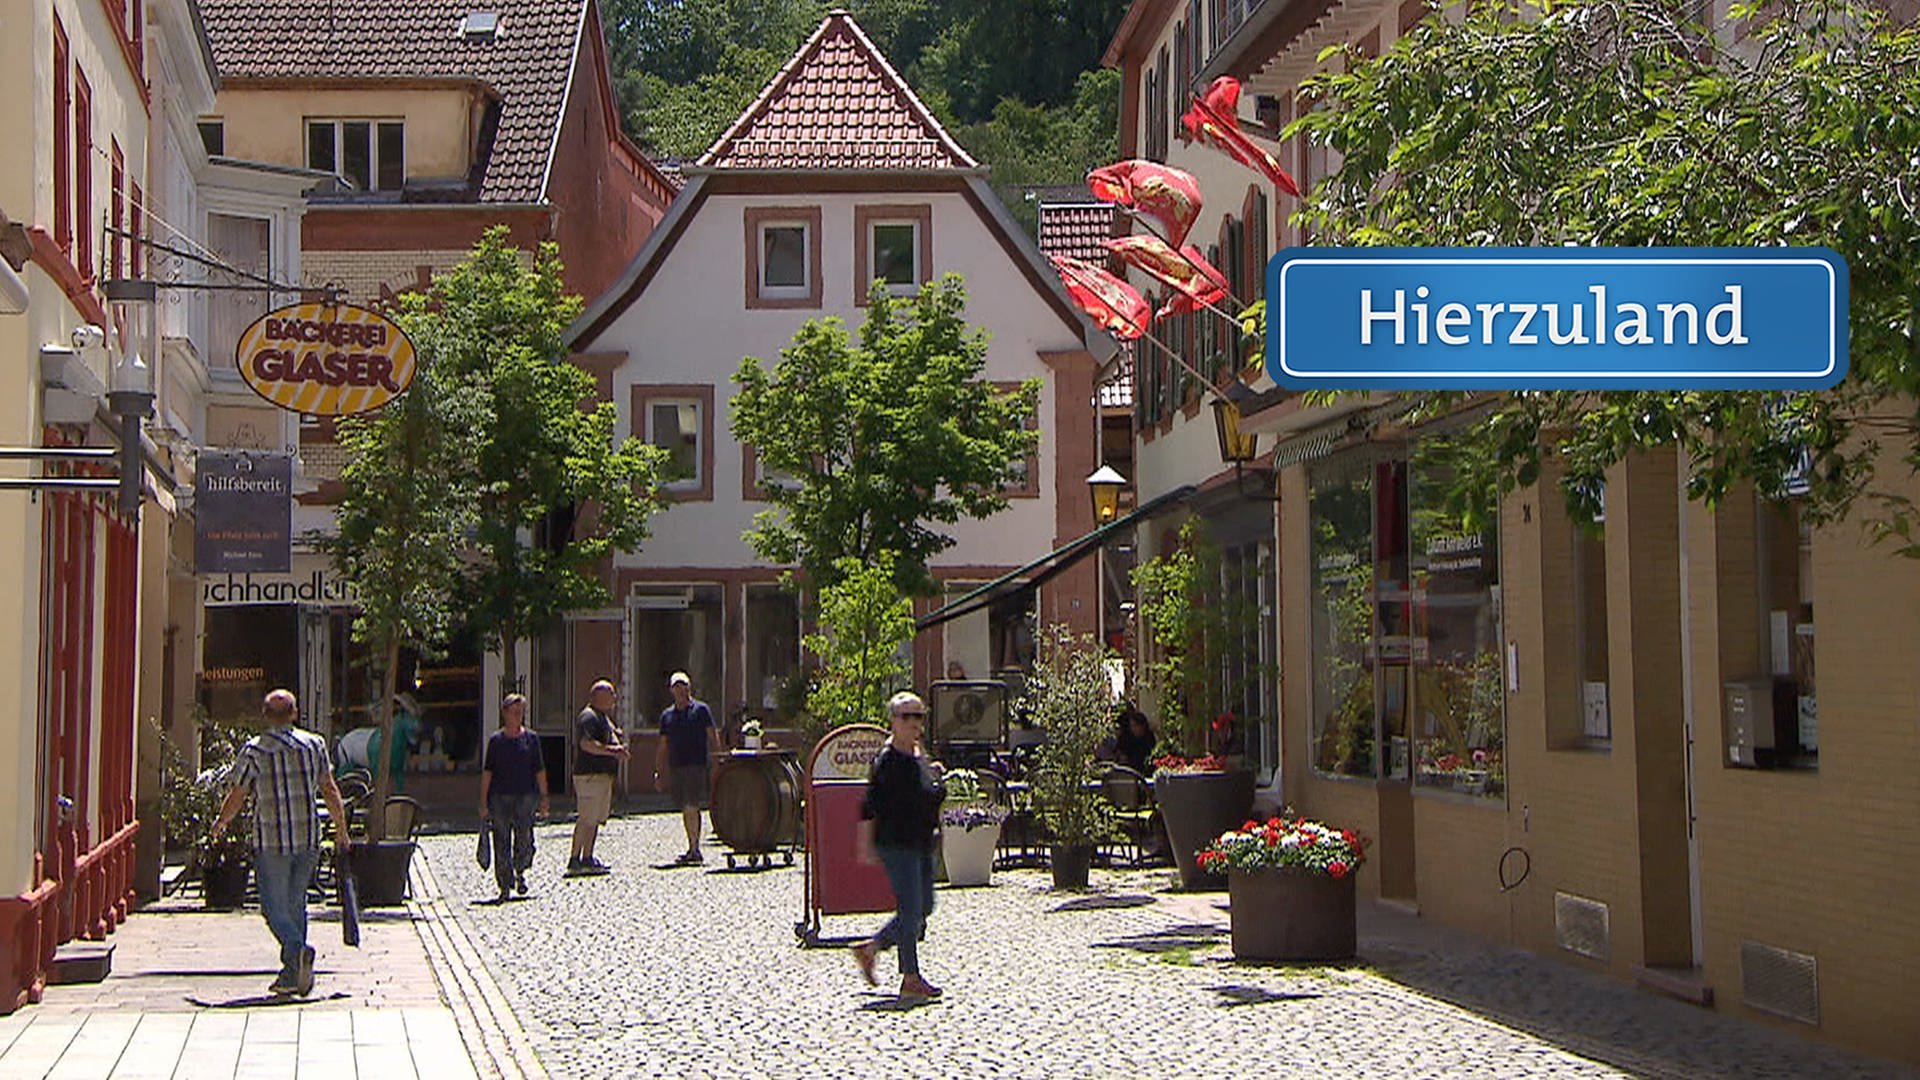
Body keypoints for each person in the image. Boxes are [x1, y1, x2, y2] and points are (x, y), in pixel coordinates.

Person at [212, 689, 351, 997]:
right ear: (294, 714)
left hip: (272, 841)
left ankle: (297, 949)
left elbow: (239, 793)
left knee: (273, 908)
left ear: (265, 716)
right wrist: (341, 828)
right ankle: (292, 974)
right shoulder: (314, 745)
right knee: (295, 902)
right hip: (307, 838)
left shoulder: (255, 751)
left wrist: (222, 822)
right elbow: (329, 788)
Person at [851, 692, 945, 1000]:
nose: (915, 723)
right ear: (893, 721)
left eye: (919, 716)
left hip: (921, 841)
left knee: (923, 907)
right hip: (896, 842)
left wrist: (937, 781)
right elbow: (870, 805)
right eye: (907, 717)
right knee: (910, 909)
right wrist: (865, 844)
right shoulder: (887, 760)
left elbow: (931, 794)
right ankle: (910, 977)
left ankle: (872, 948)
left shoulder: (920, 755)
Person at [480, 693, 549, 901]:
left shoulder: (531, 739)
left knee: (524, 837)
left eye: (521, 712)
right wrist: (483, 801)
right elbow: (487, 772)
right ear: (505, 714)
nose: (518, 716)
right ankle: (504, 883)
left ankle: (520, 872)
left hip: (526, 795)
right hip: (500, 797)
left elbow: (539, 769)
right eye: (514, 712)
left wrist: (544, 797)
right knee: (501, 839)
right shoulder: (496, 741)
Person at [654, 671, 721, 865]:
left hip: (696, 764)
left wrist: (717, 760)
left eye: (682, 685)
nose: (679, 690)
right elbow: (663, 745)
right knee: (685, 807)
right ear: (671, 690)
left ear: (688, 688)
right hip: (677, 765)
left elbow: (712, 736)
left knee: (691, 805)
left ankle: (694, 848)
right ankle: (692, 845)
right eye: (676, 686)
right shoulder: (667, 716)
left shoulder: (700, 710)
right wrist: (659, 771)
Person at [570, 679, 626, 875]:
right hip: (590, 776)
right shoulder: (589, 717)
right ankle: (574, 859)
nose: (614, 698)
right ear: (599, 696)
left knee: (595, 819)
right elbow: (586, 744)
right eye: (611, 693)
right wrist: (613, 751)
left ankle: (588, 857)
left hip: (602, 776)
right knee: (586, 818)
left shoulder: (602, 717)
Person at [1114, 704, 1155, 775]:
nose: (1133, 728)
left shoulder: (1149, 737)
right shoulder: (1126, 737)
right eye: (1132, 726)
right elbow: (1120, 752)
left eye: (1135, 726)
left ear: (1142, 726)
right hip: (1129, 770)